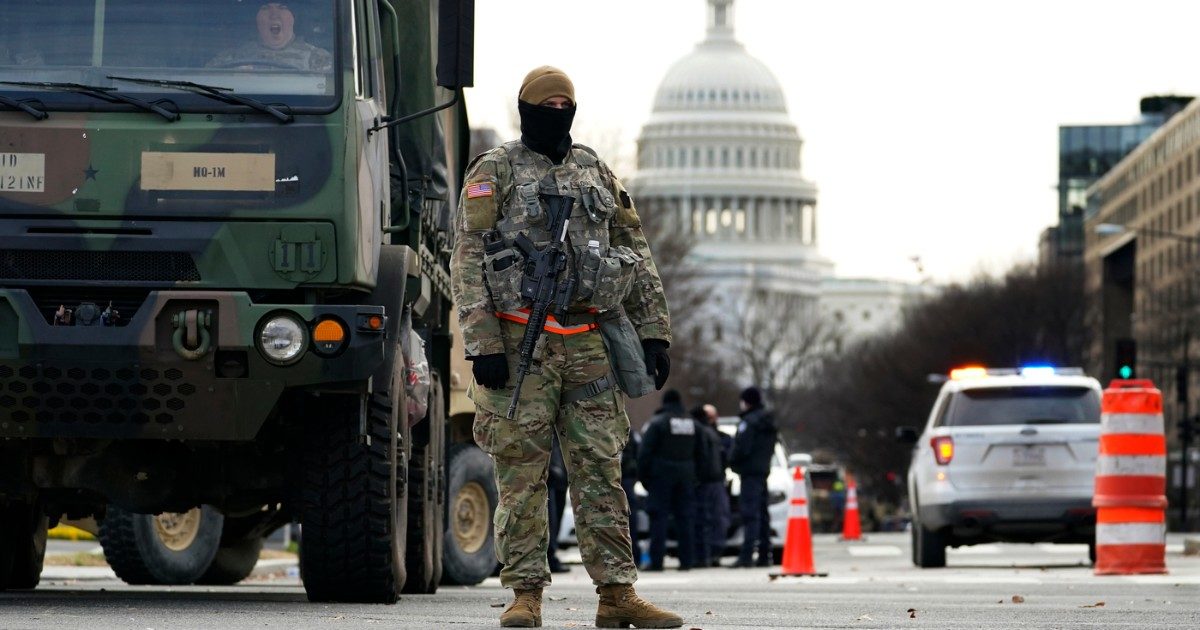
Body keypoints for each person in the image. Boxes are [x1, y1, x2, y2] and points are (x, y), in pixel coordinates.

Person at [451, 66, 680, 628]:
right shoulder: (496, 169)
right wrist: (483, 342)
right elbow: (468, 258)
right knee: (521, 475)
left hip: (588, 342)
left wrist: (654, 331)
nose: (557, 113)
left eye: (565, 104)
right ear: (526, 108)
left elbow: (635, 250)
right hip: (517, 339)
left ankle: (617, 595)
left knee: (601, 469)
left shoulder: (593, 169)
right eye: (546, 104)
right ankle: (525, 594)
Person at [637, 390, 697, 572]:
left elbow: (644, 454)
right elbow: (700, 452)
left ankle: (657, 561)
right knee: (684, 518)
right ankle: (686, 561)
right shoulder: (690, 423)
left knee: (659, 518)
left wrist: (645, 478)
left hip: (661, 477)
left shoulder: (657, 423)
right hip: (686, 476)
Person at [729, 387, 777, 568]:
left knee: (750, 515)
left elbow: (742, 448)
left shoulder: (748, 422)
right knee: (763, 515)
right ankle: (765, 555)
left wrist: (732, 461)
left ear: (747, 401)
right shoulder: (767, 421)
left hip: (749, 473)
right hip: (763, 471)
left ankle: (746, 555)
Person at [207, 3, 332, 72]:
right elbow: (205, 86)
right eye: (265, 8)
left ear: (294, 18)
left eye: (282, 7)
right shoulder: (232, 58)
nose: (274, 15)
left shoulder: (319, 58)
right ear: (256, 19)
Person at [691, 403, 730, 567]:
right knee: (715, 519)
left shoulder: (704, 432)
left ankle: (706, 555)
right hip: (715, 481)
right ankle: (711, 553)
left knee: (707, 519)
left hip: (707, 482)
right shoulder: (714, 435)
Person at [546, 434, 569, 573]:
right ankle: (549, 556)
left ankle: (551, 555)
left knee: (555, 520)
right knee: (550, 519)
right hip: (551, 473)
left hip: (559, 474)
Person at [621, 425, 643, 564]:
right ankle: (633, 556)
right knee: (629, 519)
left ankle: (630, 557)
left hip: (622, 478)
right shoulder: (631, 432)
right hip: (627, 479)